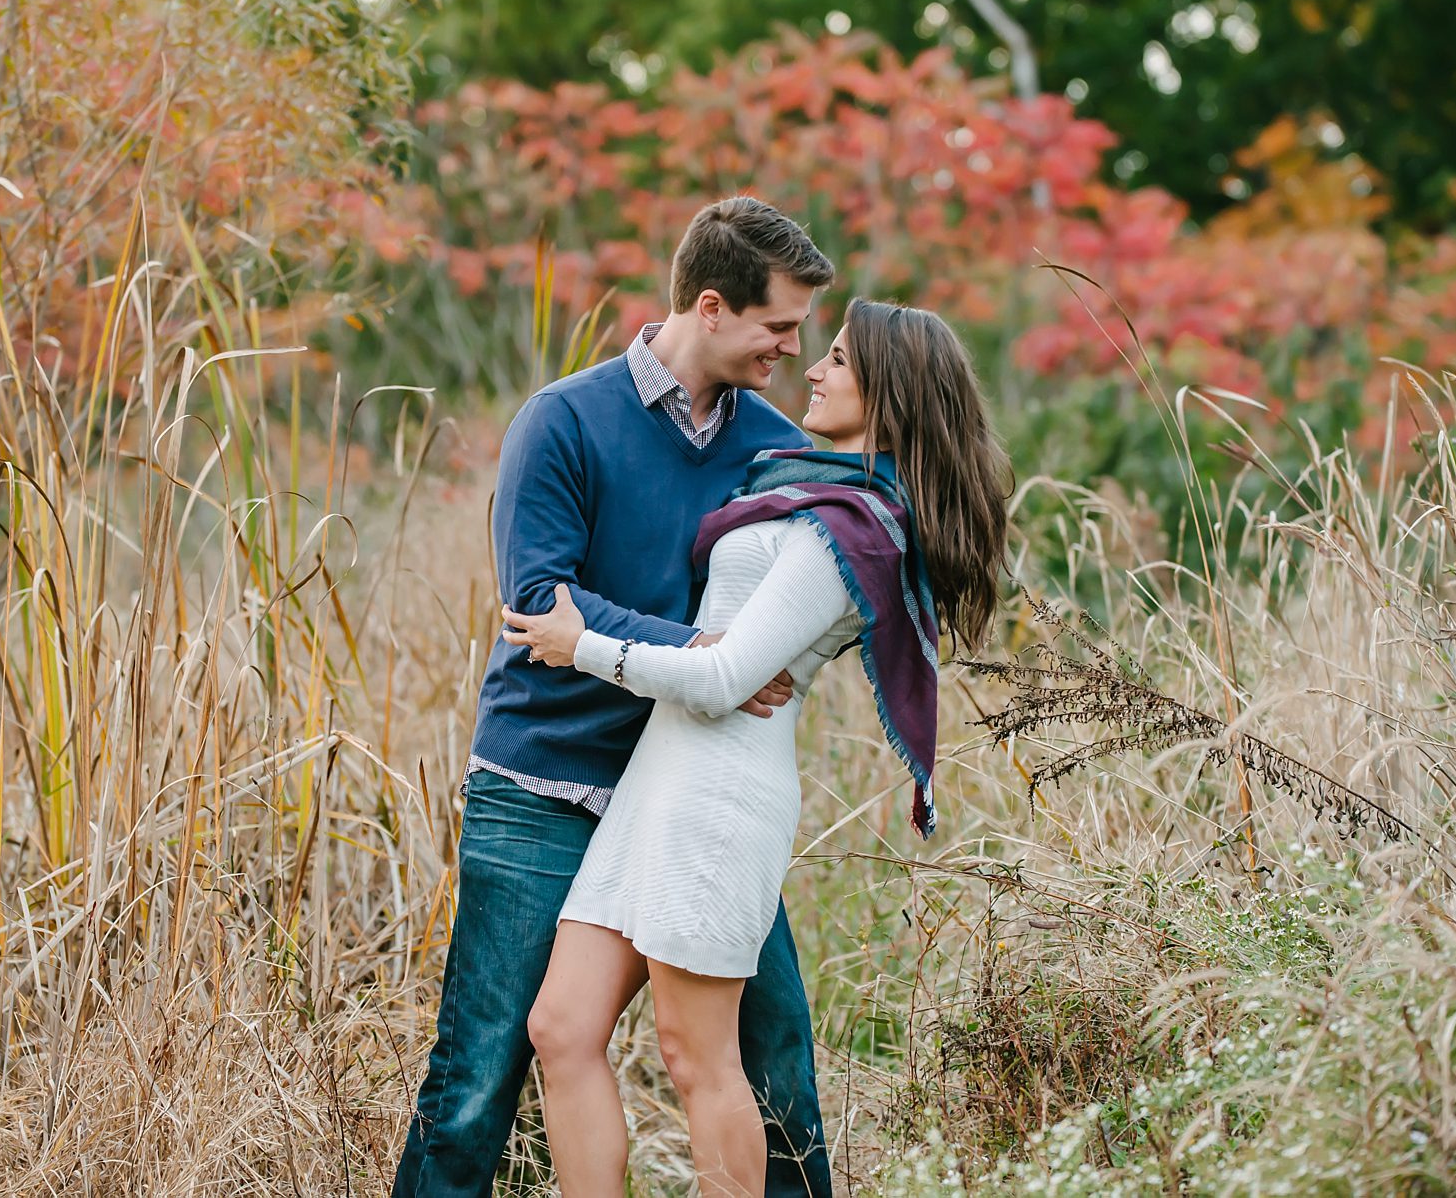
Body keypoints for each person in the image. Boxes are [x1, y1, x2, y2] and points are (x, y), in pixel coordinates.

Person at [503, 298, 1012, 1197]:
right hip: (660, 780)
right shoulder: (808, 487)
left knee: (696, 1058)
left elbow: (725, 678)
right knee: (562, 1028)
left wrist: (582, 646)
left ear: (890, 394)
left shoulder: (851, 529)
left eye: (839, 360)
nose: (812, 367)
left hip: (720, 800)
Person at [391, 197, 838, 1196]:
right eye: (777, 325)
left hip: (690, 789)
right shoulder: (563, 420)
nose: (792, 348)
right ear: (711, 307)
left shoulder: (776, 450)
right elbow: (538, 603)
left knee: (776, 1061)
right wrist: (707, 652)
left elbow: (808, 594)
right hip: (543, 783)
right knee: (478, 1074)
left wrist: (752, 657)